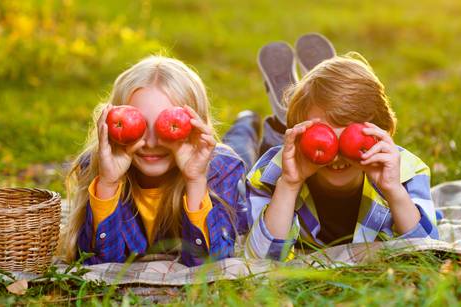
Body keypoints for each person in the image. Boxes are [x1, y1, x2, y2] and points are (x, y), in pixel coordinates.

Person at [59, 56, 257, 267]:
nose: (151, 143)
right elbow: (96, 262)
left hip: (218, 160)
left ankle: (248, 121)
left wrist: (196, 180)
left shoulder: (220, 169)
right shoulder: (101, 169)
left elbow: (213, 263)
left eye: (165, 125)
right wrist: (108, 183)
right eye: (140, 126)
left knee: (241, 146)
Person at [245, 51, 439, 261]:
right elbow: (259, 261)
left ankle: (307, 96)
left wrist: (393, 190)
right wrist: (289, 184)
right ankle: (249, 120)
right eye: (325, 135)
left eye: (347, 137)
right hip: (293, 157)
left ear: (381, 133)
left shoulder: (405, 171)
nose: (336, 156)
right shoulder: (273, 174)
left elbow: (428, 254)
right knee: (244, 147)